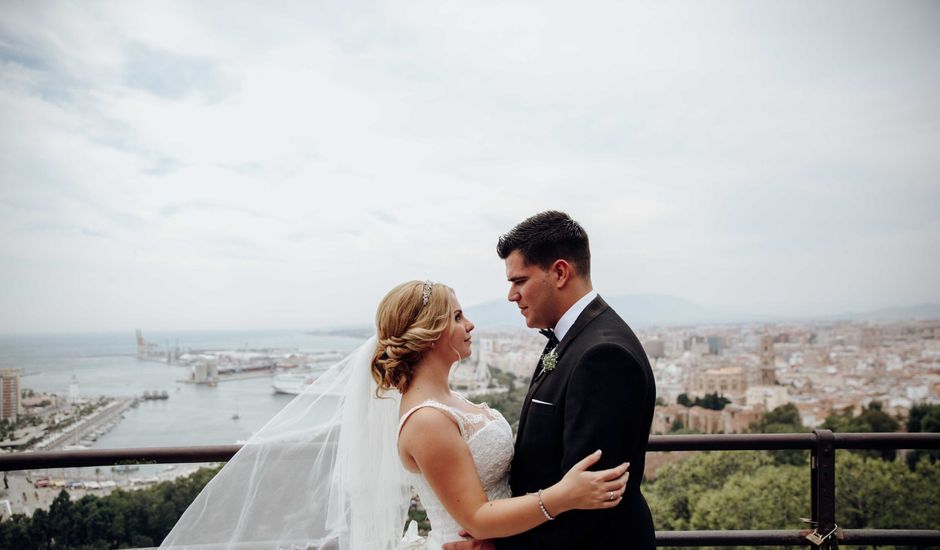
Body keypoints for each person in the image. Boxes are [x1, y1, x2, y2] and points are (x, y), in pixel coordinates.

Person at [161, 279, 629, 550]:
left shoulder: (450, 402)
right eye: (458, 317)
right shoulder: (426, 420)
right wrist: (562, 496)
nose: (470, 326)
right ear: (428, 334)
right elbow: (481, 518)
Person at [448, 211, 657, 549]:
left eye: (519, 281)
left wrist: (502, 546)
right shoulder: (577, 337)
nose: (511, 295)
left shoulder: (602, 355)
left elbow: (591, 499)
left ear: (560, 272)